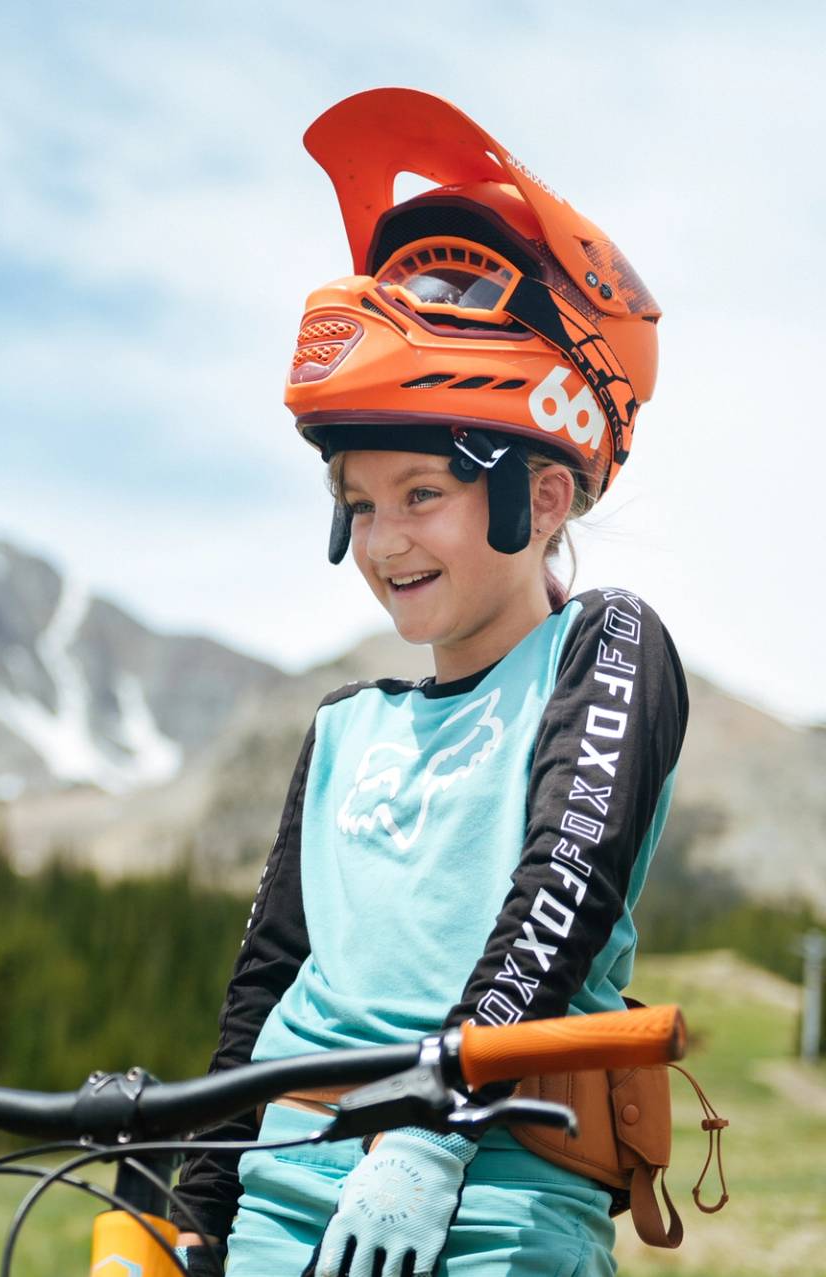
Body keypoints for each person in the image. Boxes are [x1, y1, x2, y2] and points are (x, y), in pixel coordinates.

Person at [171, 91, 688, 1277]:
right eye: (357, 503)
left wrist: (432, 1121)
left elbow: (568, 881)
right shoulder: (346, 726)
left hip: (496, 1191)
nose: (383, 538)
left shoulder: (602, 649)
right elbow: (267, 978)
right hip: (280, 1198)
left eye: (420, 494)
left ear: (542, 498)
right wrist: (195, 1205)